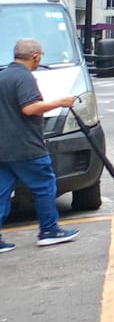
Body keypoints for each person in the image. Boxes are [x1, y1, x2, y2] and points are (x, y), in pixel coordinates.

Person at [0, 38, 82, 251]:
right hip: (26, 146)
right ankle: (49, 230)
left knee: (1, 191)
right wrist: (60, 102)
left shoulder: (4, 76)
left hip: (3, 147)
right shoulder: (24, 78)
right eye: (40, 57)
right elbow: (29, 108)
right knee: (45, 186)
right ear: (36, 56)